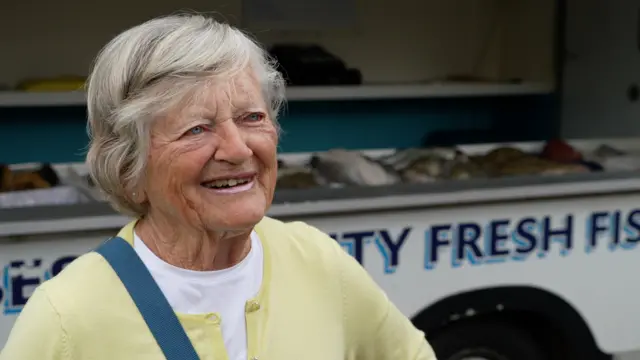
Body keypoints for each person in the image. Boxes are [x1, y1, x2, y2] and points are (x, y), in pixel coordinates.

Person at [0, 14, 437, 360]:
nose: (237, 148)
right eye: (196, 129)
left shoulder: (315, 259)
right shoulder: (66, 316)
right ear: (129, 163)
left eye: (252, 118)